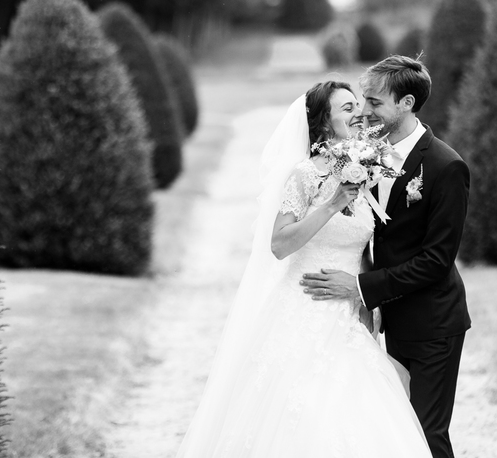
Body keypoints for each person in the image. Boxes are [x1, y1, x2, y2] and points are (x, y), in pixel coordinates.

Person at [176, 80, 432, 457]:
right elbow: (279, 244)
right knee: (302, 414)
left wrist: (366, 301)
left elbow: (362, 246)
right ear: (324, 122)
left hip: (347, 315)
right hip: (302, 309)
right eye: (346, 108)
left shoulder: (365, 173)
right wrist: (330, 204)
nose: (358, 114)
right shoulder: (305, 175)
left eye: (358, 106)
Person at [301, 56, 471, 458]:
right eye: (362, 101)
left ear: (406, 103)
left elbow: (436, 261)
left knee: (425, 436)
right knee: (392, 434)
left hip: (433, 325)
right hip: (391, 319)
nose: (364, 110)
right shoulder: (365, 155)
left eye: (375, 102)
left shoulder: (447, 167)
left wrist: (360, 287)